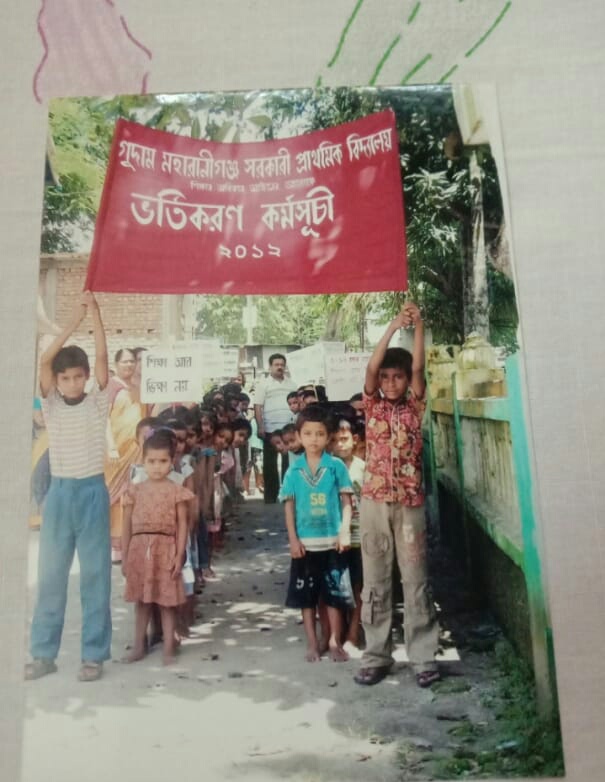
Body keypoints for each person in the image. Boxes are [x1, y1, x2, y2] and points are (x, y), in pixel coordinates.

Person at [25, 291, 111, 683]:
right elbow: (45, 360)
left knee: (95, 577)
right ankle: (43, 654)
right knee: (51, 576)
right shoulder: (52, 405)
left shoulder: (98, 402)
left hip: (92, 493)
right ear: (57, 382)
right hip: (59, 495)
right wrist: (73, 321)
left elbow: (103, 357)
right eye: (65, 378)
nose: (72, 383)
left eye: (78, 376)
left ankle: (93, 655)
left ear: (86, 377)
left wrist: (95, 314)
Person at [354, 302, 441, 688]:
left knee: (415, 579)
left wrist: (417, 324)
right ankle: (376, 656)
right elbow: (371, 368)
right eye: (386, 377)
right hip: (374, 502)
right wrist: (391, 326)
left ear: (407, 381)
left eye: (398, 377)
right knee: (375, 581)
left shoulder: (414, 406)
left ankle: (422, 657)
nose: (390, 383)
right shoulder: (372, 405)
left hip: (409, 504)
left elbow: (419, 368)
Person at [279, 405, 354, 663]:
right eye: (308, 433)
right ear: (299, 436)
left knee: (335, 596)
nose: (314, 439)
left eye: (320, 434)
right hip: (305, 545)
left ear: (329, 436)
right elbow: (289, 506)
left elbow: (346, 501)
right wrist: (293, 539)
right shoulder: (294, 471)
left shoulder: (336, 467)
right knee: (307, 598)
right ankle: (312, 643)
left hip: (332, 543)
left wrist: (344, 531)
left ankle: (334, 641)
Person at [121, 429, 193, 665]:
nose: (157, 467)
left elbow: (183, 524)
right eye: (151, 461)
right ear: (143, 461)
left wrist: (180, 554)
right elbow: (126, 525)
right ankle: (138, 646)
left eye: (162, 461)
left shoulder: (176, 491)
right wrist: (125, 556)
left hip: (166, 549)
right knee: (142, 601)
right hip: (139, 550)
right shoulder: (134, 491)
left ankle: (169, 648)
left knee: (167, 602)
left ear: (171, 462)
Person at [105, 347, 146, 563]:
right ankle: (112, 546)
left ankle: (126, 544)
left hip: (135, 450)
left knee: (129, 496)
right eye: (125, 362)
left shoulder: (138, 388)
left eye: (132, 361)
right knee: (113, 497)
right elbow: (103, 418)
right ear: (116, 364)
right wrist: (111, 446)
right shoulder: (111, 386)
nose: (129, 365)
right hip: (115, 452)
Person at [331, 416, 366, 650]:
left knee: (358, 585)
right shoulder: (327, 468)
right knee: (336, 585)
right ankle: (338, 632)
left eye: (344, 439)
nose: (340, 445)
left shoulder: (363, 468)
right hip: (334, 537)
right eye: (335, 440)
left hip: (359, 536)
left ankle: (354, 632)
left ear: (354, 440)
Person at [254, 353, 297, 503]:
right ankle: (270, 496)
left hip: (288, 428)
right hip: (270, 428)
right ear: (270, 366)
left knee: (288, 462)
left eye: (282, 365)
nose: (279, 367)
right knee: (269, 463)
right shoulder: (263, 384)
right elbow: (258, 406)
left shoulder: (292, 384)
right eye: (276, 364)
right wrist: (260, 426)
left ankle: (287, 494)